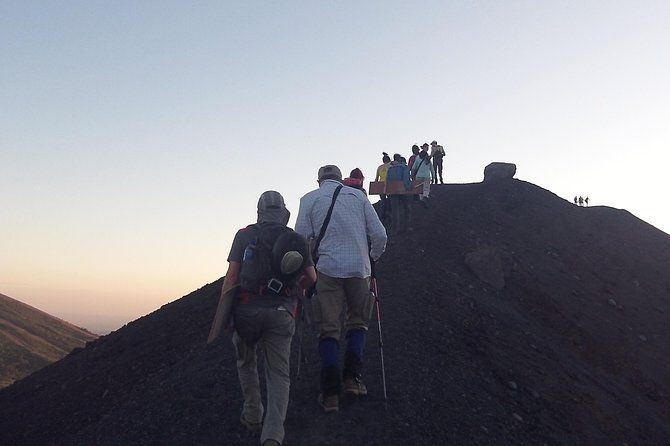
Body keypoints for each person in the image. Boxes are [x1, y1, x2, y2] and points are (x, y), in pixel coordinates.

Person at [214, 191, 317, 446]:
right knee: (278, 374)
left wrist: (223, 314)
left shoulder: (244, 235)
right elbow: (313, 279)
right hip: (282, 312)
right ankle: (273, 435)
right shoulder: (296, 240)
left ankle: (252, 414)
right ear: (283, 211)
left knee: (246, 362)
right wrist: (296, 291)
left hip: (246, 310)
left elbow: (231, 277)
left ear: (259, 211)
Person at [295, 165, 387, 413]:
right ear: (340, 179)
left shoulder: (309, 199)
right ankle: (352, 380)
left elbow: (300, 238)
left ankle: (330, 394)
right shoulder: (358, 197)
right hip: (360, 268)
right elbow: (380, 235)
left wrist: (306, 269)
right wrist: (372, 258)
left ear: (319, 181)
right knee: (358, 322)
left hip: (326, 269)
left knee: (329, 327)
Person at [386, 154, 412, 234]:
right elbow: (406, 179)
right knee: (407, 208)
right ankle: (406, 227)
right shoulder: (405, 167)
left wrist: (388, 191)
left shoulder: (390, 169)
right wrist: (408, 189)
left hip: (393, 191)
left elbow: (388, 180)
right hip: (403, 191)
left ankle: (395, 229)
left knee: (395, 210)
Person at [375, 153, 392, 220]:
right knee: (390, 199)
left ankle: (381, 215)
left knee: (383, 200)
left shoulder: (379, 167)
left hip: (380, 185)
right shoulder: (391, 166)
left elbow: (376, 178)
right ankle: (388, 213)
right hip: (388, 184)